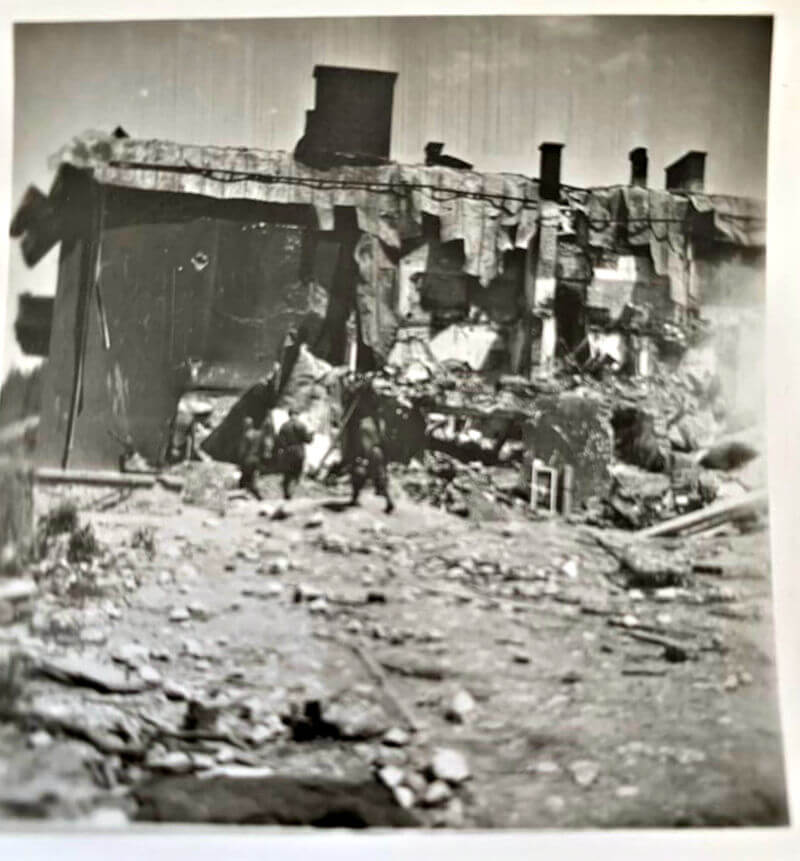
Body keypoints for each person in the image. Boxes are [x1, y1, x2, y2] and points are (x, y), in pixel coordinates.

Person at [343, 377, 395, 515]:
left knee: (362, 475)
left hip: (371, 453)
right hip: (376, 452)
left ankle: (388, 501)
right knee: (378, 478)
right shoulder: (375, 421)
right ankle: (387, 501)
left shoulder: (365, 424)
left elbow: (365, 442)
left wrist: (362, 457)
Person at [274, 408, 313, 500]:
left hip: (287, 452)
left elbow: (279, 441)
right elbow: (308, 440)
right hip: (299, 451)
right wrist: (311, 435)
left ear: (289, 414)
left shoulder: (284, 426)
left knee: (287, 474)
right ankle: (292, 492)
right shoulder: (301, 425)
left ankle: (287, 493)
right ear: (297, 414)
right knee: (297, 473)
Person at [237, 416, 263, 500]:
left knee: (245, 480)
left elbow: (242, 451)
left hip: (248, 459)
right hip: (256, 459)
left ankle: (257, 496)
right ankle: (251, 496)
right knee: (250, 478)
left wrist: (239, 462)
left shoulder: (246, 435)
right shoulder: (258, 434)